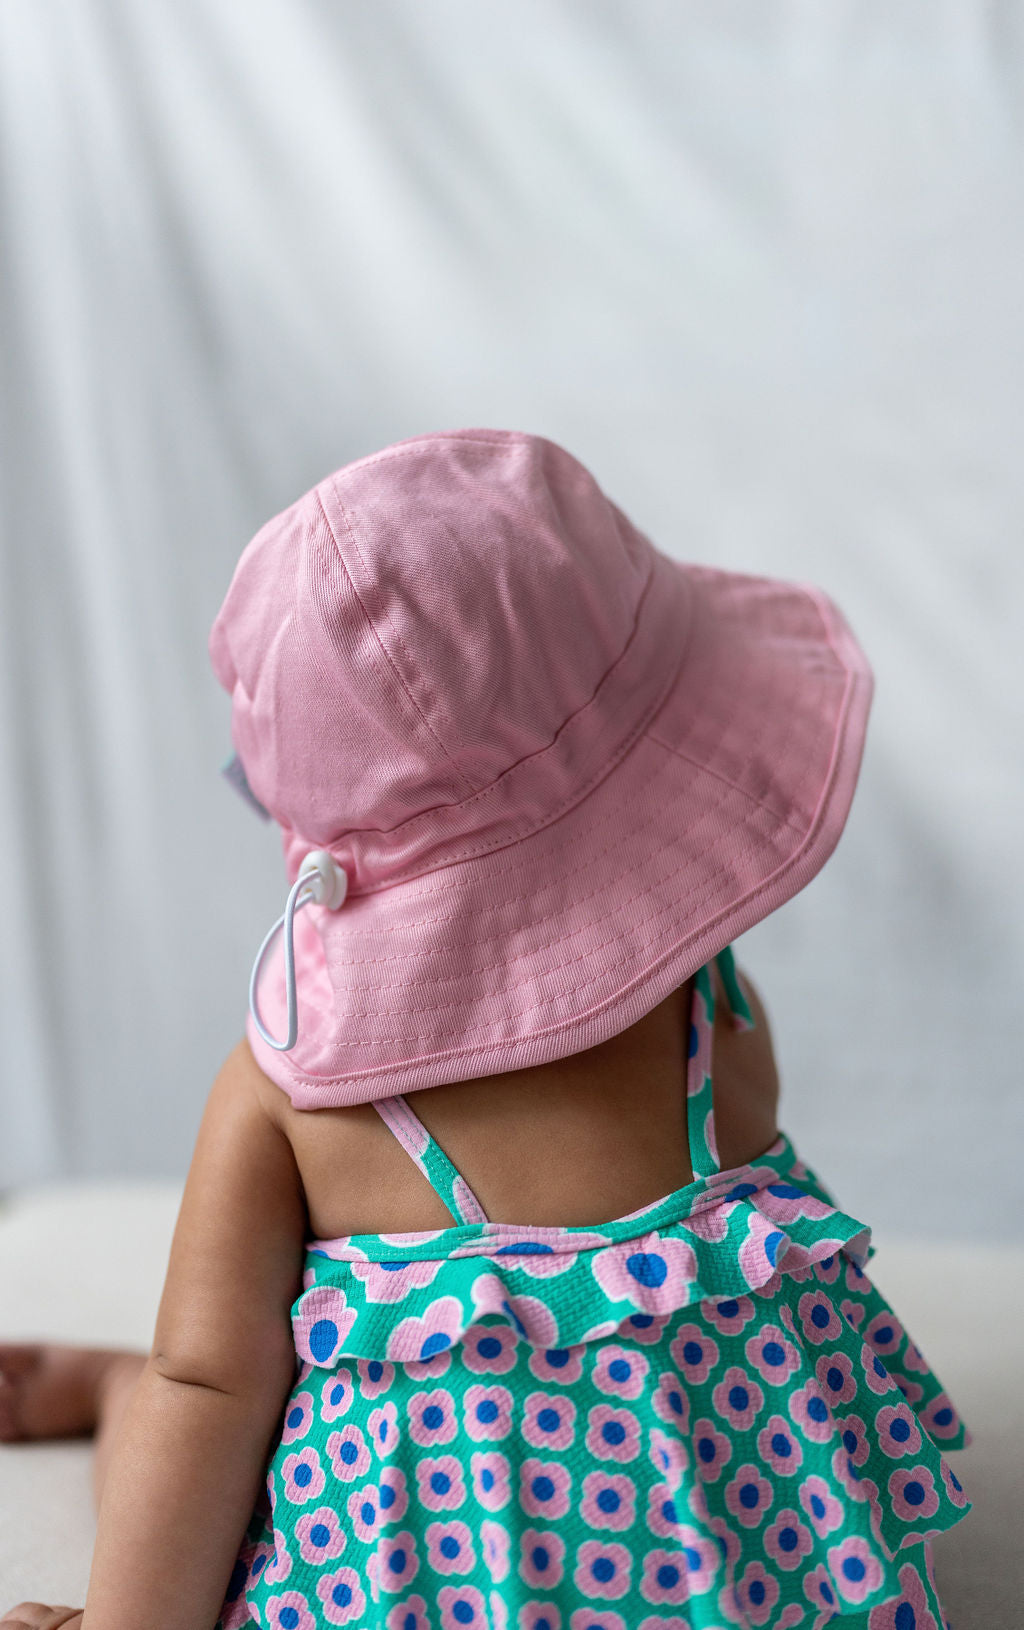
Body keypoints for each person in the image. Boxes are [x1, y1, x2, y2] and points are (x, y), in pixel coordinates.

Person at [0, 429, 971, 1630]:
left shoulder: (286, 1100)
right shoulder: (708, 1007)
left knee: (196, 1403)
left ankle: (107, 1390)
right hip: (770, 1581)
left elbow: (212, 1381)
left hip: (432, 1588)